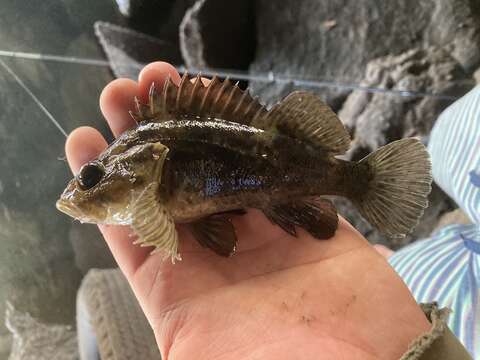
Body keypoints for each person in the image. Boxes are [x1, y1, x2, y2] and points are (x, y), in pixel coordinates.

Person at [65, 61, 472, 359]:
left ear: (141, 161)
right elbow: (212, 232)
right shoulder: (146, 147)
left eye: (91, 179)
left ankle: (364, 184)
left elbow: (190, 229)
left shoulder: (149, 152)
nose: (84, 192)